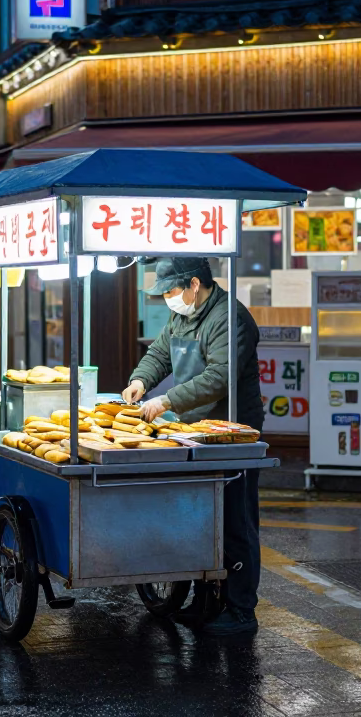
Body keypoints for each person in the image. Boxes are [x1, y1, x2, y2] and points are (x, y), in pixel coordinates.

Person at [122, 257, 263, 637]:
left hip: (231, 431)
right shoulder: (184, 315)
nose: (168, 299)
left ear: (194, 285)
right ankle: (205, 602)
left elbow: (219, 377)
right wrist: (141, 380)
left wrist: (166, 402)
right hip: (193, 429)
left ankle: (240, 609)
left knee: (234, 517)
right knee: (200, 517)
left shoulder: (229, 318)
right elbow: (160, 353)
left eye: (170, 291)